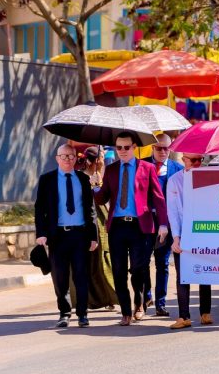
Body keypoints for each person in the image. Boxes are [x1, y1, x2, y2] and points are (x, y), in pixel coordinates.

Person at [92, 132, 169, 326]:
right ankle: (125, 311)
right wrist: (95, 185)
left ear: (134, 147)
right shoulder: (110, 170)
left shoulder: (148, 168)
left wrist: (162, 224)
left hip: (140, 226)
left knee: (138, 268)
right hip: (117, 226)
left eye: (126, 147)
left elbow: (158, 198)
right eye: (119, 148)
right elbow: (102, 199)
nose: (122, 151)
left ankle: (139, 303)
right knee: (118, 270)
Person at [34, 144, 99, 328]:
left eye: (71, 157)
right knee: (60, 277)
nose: (68, 160)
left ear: (76, 159)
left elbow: (90, 209)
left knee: (81, 275)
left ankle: (83, 314)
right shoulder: (47, 180)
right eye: (64, 156)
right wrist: (41, 233)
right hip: (57, 236)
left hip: (80, 235)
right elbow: (40, 209)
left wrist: (93, 236)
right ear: (57, 158)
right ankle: (64, 313)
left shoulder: (83, 179)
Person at [167, 152, 213, 329]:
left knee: (205, 272)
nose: (197, 163)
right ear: (183, 160)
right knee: (182, 275)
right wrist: (176, 237)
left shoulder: (209, 176)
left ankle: (205, 312)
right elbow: (173, 211)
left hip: (204, 231)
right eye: (193, 160)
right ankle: (183, 316)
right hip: (185, 231)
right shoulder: (175, 180)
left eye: (200, 160)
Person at [142, 134, 183, 318]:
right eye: (159, 148)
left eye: (166, 148)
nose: (163, 152)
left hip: (168, 222)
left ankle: (160, 303)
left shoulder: (177, 169)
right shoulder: (141, 165)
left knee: (163, 263)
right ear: (152, 148)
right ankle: (145, 297)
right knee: (141, 262)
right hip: (146, 220)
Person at [78, 147, 118, 310]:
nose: (104, 162)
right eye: (101, 159)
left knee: (104, 261)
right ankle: (91, 298)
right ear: (94, 162)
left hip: (103, 225)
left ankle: (108, 298)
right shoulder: (82, 179)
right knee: (89, 262)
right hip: (89, 224)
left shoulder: (101, 176)